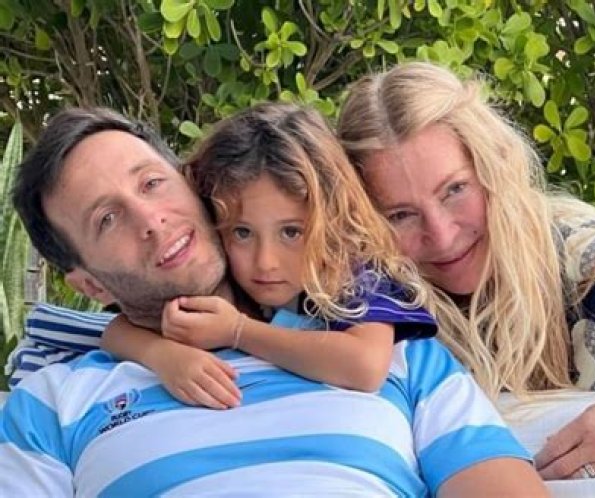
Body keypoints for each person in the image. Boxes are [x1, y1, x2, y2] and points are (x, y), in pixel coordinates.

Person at [1, 106, 548, 496]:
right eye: (107, 218)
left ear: (191, 183)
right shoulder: (53, 401)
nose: (151, 219)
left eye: (151, 184)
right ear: (90, 286)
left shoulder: (393, 351)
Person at [336, 61, 595, 480]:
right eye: (400, 215)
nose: (442, 236)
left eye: (455, 190)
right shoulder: (357, 305)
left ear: (494, 167)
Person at [100, 103, 436, 409]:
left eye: (291, 232)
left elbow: (364, 367)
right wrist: (163, 357)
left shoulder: (356, 274)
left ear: (334, 221)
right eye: (242, 233)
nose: (265, 262)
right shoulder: (222, 281)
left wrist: (237, 331)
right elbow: (116, 331)